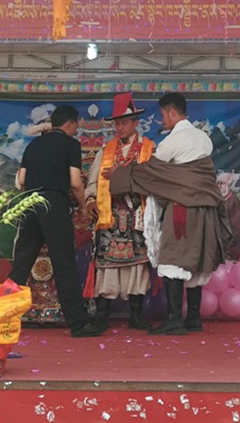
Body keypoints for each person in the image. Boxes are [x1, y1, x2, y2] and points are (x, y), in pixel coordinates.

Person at [105, 93, 230, 335]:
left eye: (163, 115)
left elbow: (153, 172)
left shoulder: (173, 141)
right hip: (206, 208)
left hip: (182, 208)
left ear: (172, 113)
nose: (162, 120)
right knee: (195, 259)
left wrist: (119, 174)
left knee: (173, 257)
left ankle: (174, 319)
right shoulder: (203, 138)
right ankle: (193, 318)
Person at [8, 105, 102, 338]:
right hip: (54, 204)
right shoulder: (71, 144)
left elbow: (22, 179)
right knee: (64, 263)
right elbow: (75, 182)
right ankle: (78, 323)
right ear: (69, 124)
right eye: (76, 125)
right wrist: (82, 205)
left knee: (21, 263)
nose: (76, 129)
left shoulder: (33, 145)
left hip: (30, 202)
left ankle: (1, 316)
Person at [84, 93, 156, 331]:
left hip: (137, 216)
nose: (119, 127)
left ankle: (136, 314)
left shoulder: (148, 149)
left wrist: (122, 174)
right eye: (117, 123)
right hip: (110, 216)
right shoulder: (107, 150)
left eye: (124, 122)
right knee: (106, 264)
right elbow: (93, 181)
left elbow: (152, 179)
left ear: (136, 122)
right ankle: (102, 315)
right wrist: (91, 200)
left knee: (138, 264)